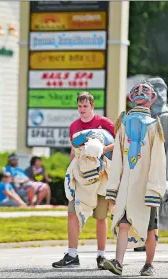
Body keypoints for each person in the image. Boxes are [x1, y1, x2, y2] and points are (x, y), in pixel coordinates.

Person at [103, 81, 167, 276]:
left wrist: (154, 189)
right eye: (137, 93)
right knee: (123, 223)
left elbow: (158, 160)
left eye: (144, 93)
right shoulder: (123, 124)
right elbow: (118, 161)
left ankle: (149, 264)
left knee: (149, 229)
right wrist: (113, 188)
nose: (140, 96)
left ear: (151, 100)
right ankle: (118, 263)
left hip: (146, 187)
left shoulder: (155, 126)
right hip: (126, 187)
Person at [52, 92, 115, 269]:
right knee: (72, 213)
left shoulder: (105, 123)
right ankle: (72, 255)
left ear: (92, 106)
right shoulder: (74, 126)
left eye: (85, 106)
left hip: (103, 176)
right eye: (80, 106)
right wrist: (69, 176)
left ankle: (101, 257)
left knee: (101, 217)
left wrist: (101, 150)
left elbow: (120, 143)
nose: (82, 110)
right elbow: (75, 151)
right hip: (81, 177)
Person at [138, 77, 168, 252]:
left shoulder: (162, 117)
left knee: (154, 199)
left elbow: (160, 144)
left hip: (163, 163)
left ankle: (150, 239)